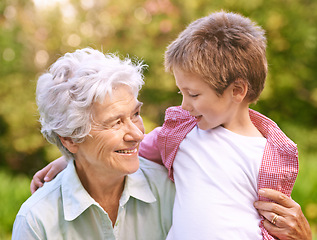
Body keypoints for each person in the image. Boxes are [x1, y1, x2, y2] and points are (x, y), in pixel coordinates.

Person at [30, 11, 312, 240]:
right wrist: (68, 161)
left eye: (194, 94)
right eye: (182, 93)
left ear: (237, 91)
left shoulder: (271, 156)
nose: (184, 105)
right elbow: (126, 149)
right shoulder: (182, 133)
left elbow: (277, 225)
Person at [12, 48, 175, 240]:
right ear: (70, 139)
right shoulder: (37, 221)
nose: (138, 134)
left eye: (135, 114)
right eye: (116, 122)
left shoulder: (170, 190)